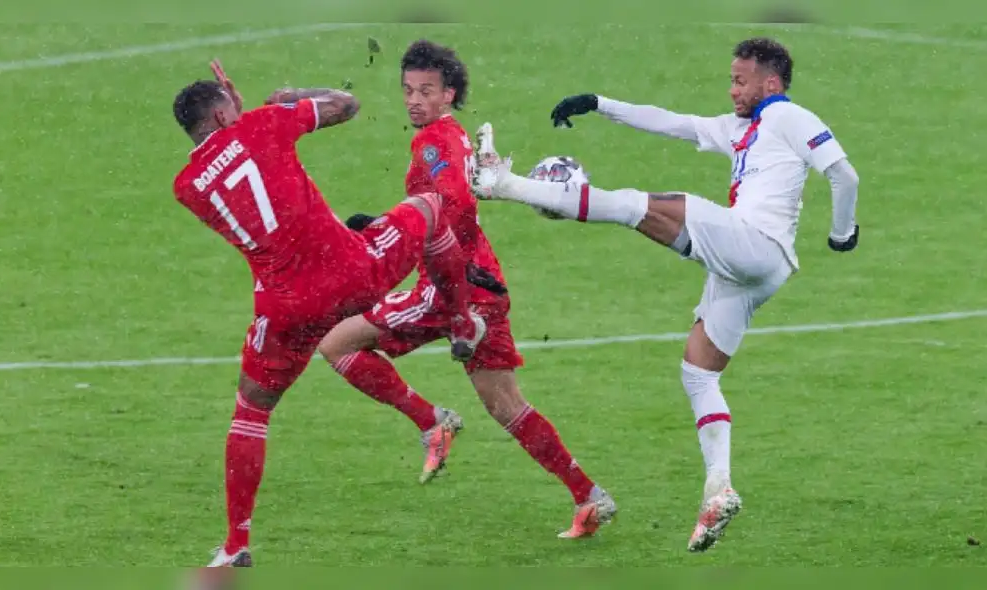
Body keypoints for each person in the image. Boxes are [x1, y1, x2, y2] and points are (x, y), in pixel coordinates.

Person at [470, 37, 860, 551]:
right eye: (731, 79)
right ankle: (718, 489)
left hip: (756, 244)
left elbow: (843, 173)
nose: (732, 89)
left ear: (771, 82)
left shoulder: (791, 117)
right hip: (753, 269)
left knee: (638, 205)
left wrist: (842, 233)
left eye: (740, 80)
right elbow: (670, 121)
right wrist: (600, 104)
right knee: (699, 372)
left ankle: (506, 185)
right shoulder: (738, 128)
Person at [171, 60, 484, 567]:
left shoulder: (186, 187)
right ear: (227, 111)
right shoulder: (264, 122)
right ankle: (464, 323)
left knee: (251, 412)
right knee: (429, 207)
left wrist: (243, 120)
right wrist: (285, 96)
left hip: (287, 307)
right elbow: (346, 105)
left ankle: (235, 544)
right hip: (352, 273)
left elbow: (237, 170)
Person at [317, 39, 617, 539]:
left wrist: (419, 245)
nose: (414, 100)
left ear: (449, 93)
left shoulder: (432, 141)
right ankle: (589, 496)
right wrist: (387, 224)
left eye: (426, 91)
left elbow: (453, 202)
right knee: (506, 406)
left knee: (336, 343)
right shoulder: (451, 137)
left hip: (450, 284)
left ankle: (432, 420)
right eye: (408, 90)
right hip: (486, 282)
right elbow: (445, 203)